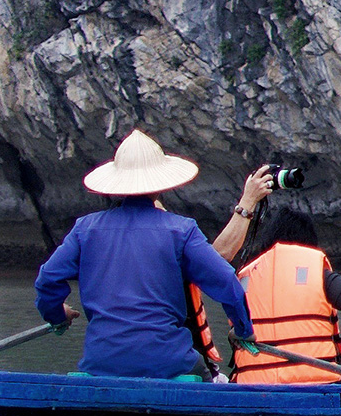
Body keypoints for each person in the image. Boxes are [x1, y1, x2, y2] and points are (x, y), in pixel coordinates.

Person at [34, 129, 253, 379]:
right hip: (169, 363)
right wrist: (243, 330)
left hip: (101, 362)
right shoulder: (181, 230)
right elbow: (226, 281)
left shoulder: (85, 229)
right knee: (216, 378)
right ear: (160, 186)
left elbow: (47, 279)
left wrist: (56, 315)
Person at [225, 195, 341, 384]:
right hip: (316, 384)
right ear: (308, 240)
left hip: (253, 385)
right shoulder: (316, 273)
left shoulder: (244, 278)